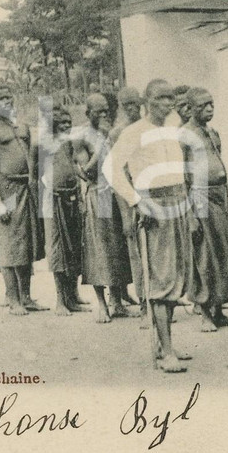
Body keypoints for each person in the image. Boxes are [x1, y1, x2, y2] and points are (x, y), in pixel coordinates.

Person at [104, 79, 194, 372]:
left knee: (178, 277)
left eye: (170, 97)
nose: (168, 103)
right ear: (147, 102)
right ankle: (166, 352)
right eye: (161, 98)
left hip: (178, 204)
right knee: (161, 280)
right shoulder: (134, 132)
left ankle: (165, 343)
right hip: (154, 206)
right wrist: (136, 201)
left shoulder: (172, 130)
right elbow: (111, 169)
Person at [0, 84, 44, 314]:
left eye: (9, 97)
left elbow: (31, 158)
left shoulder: (22, 126)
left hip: (25, 188)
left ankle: (26, 297)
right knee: (8, 246)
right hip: (5, 189)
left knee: (26, 245)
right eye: (1, 99)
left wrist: (33, 183)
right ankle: (13, 299)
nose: (7, 101)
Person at [183, 87, 228, 331]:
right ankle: (205, 313)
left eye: (211, 104)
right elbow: (182, 178)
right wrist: (190, 216)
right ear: (190, 108)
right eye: (203, 105)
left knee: (224, 254)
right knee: (205, 255)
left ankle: (219, 311)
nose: (209, 109)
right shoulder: (184, 135)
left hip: (219, 197)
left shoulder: (212, 132)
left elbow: (221, 170)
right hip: (200, 197)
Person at [77, 94, 133, 322]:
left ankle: (116, 301)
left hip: (116, 194)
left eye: (106, 111)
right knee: (99, 250)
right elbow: (86, 172)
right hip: (97, 194)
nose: (103, 115)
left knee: (118, 248)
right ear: (88, 113)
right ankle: (101, 304)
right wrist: (102, 147)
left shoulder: (110, 132)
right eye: (98, 111)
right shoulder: (82, 137)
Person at [40, 106, 87, 315]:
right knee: (57, 249)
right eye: (62, 123)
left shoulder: (69, 144)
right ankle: (60, 301)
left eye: (69, 122)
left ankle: (73, 296)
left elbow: (74, 167)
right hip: (53, 199)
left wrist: (85, 183)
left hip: (72, 197)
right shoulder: (43, 144)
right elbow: (35, 174)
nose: (67, 126)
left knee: (74, 247)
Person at [110, 86, 144, 310]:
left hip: (151, 194)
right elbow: (117, 173)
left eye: (136, 104)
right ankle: (144, 303)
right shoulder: (118, 133)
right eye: (128, 105)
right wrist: (126, 211)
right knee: (136, 252)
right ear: (122, 107)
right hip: (130, 198)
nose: (134, 109)